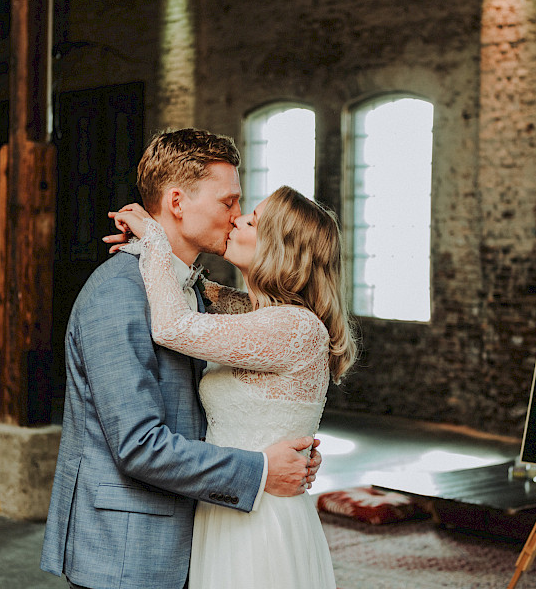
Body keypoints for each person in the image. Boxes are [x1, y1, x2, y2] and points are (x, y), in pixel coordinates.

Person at [40, 128, 321, 589]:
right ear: (177, 203)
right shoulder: (118, 292)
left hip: (198, 540)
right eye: (227, 203)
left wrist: (287, 442)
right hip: (127, 555)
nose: (236, 218)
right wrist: (263, 468)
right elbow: (138, 444)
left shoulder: (194, 292)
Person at [109, 183, 357, 589]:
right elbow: (189, 285)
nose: (236, 219)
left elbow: (173, 325)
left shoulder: (293, 326)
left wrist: (154, 237)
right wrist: (156, 242)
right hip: (230, 503)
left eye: (252, 220)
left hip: (261, 519)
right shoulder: (255, 311)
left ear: (280, 248)